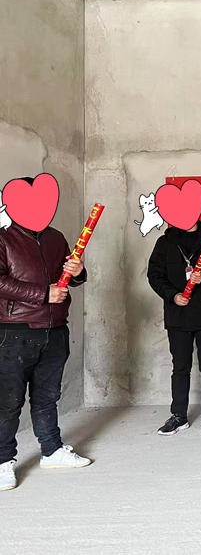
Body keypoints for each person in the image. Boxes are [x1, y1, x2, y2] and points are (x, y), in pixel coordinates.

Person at [0, 185, 91, 492]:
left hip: (55, 330)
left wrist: (78, 271)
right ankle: (2, 461)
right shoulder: (3, 238)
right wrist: (42, 294)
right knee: (8, 401)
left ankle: (51, 450)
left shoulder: (56, 238)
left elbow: (72, 278)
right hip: (15, 332)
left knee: (47, 397)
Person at [147, 220, 201, 437]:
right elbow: (154, 275)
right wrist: (172, 296)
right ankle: (178, 416)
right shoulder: (165, 242)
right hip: (178, 315)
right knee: (180, 368)